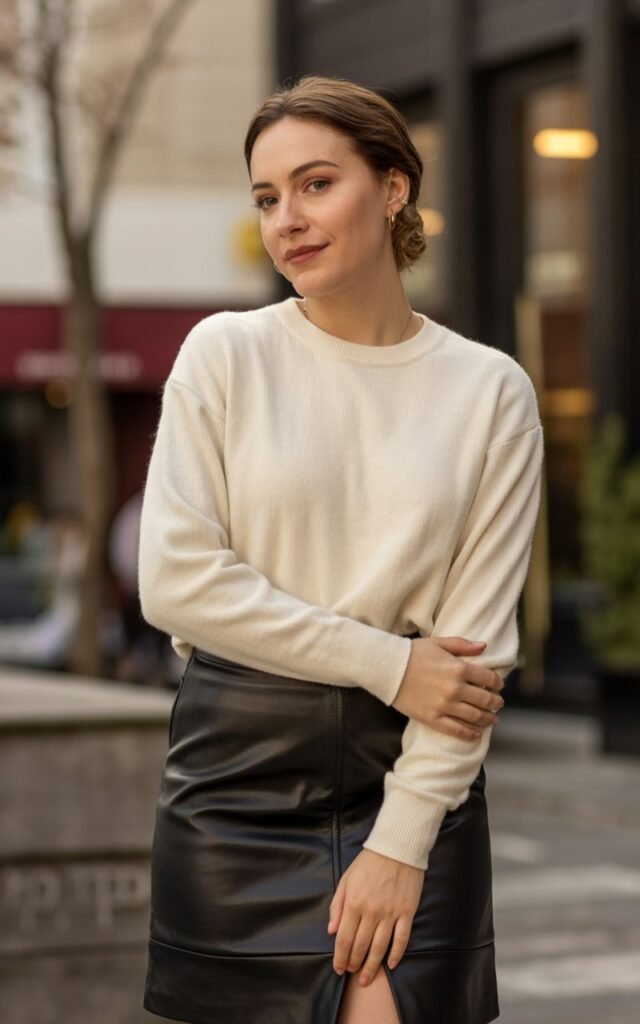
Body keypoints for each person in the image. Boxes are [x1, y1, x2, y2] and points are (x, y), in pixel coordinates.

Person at [138, 75, 544, 1024]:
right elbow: (177, 583)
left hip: (412, 772)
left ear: (394, 187)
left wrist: (402, 843)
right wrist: (389, 662)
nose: (288, 220)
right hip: (236, 777)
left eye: (317, 184)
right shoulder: (225, 354)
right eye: (267, 198)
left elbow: (475, 657)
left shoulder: (489, 392)